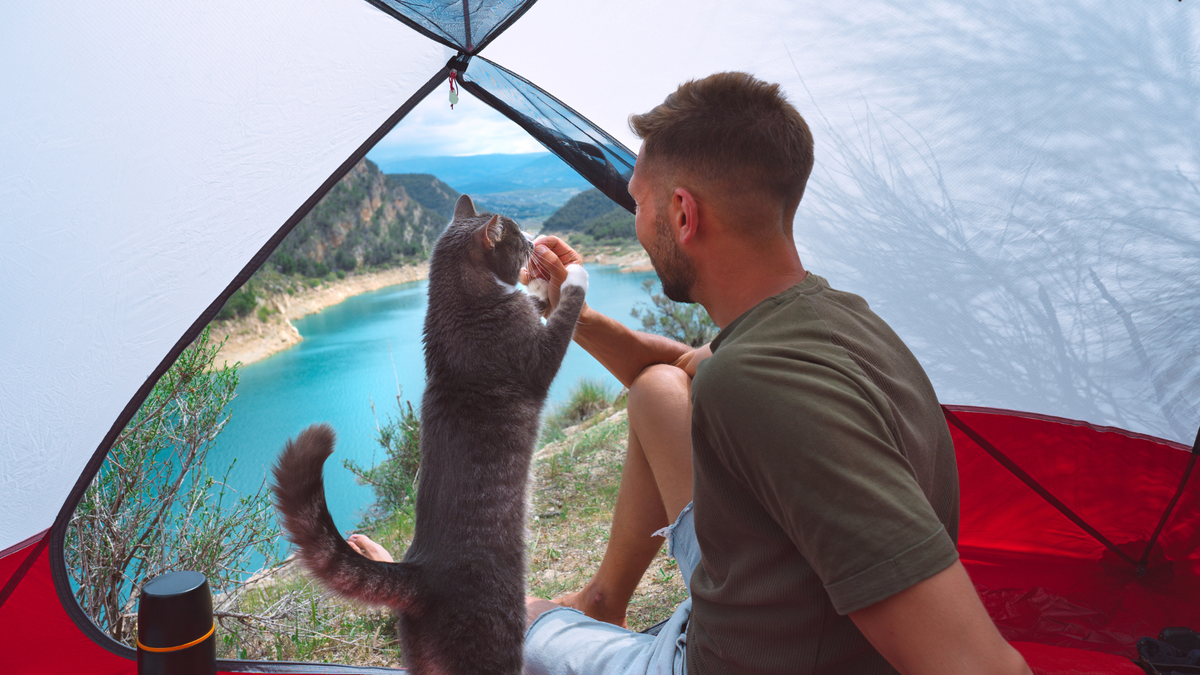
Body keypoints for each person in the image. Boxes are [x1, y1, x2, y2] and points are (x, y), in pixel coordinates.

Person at [517, 72, 1032, 675]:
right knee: (659, 390)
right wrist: (569, 308)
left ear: (683, 214)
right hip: (771, 598)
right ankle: (603, 603)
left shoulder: (763, 388)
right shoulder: (826, 318)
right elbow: (672, 369)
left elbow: (979, 665)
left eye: (639, 201)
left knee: (514, 619)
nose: (637, 220)